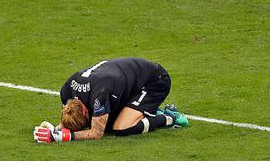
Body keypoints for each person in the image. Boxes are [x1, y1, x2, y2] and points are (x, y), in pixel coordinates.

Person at [33, 57, 188, 144]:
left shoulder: (99, 97)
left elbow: (96, 132)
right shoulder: (66, 92)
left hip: (154, 81)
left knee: (122, 128)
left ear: (87, 111)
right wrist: (55, 130)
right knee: (109, 123)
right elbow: (70, 122)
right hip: (123, 84)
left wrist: (66, 137)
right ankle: (142, 111)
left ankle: (169, 117)